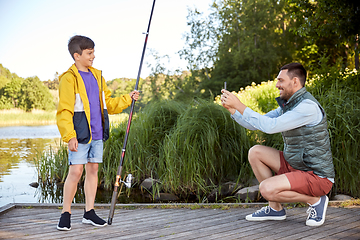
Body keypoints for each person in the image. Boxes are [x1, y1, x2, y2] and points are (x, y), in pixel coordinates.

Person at [221, 63, 335, 227]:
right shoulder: (288, 105)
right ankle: (275, 209)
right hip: (297, 166)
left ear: (295, 81)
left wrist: (240, 104)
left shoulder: (307, 107)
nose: (277, 85)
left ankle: (316, 200)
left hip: (316, 176)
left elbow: (270, 127)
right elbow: (258, 123)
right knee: (256, 152)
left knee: (266, 189)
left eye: (281, 80)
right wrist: (233, 110)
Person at [56, 35, 140, 231]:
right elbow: (64, 111)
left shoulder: (98, 76)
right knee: (75, 172)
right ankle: (65, 213)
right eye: (89, 53)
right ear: (77, 55)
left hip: (98, 133)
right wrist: (70, 136)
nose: (93, 56)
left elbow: (108, 104)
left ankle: (89, 212)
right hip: (80, 135)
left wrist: (128, 99)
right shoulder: (69, 79)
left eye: (93, 52)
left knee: (93, 171)